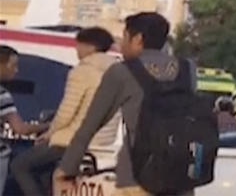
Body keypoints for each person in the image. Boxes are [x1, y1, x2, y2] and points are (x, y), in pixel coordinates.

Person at [54, 13, 196, 196]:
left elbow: (89, 127)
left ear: (137, 39)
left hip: (137, 179)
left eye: (124, 37)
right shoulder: (188, 69)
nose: (121, 45)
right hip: (180, 177)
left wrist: (65, 170)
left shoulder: (122, 72)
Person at [11, 28, 119, 196]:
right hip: (103, 142)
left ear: (89, 46)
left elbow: (66, 113)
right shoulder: (118, 73)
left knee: (20, 165)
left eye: (79, 45)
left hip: (73, 140)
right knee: (44, 170)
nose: (76, 50)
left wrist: (49, 133)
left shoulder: (83, 71)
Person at [1, 46, 48, 195]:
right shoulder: (2, 95)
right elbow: (19, 128)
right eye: (13, 65)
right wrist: (49, 125)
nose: (16, 71)